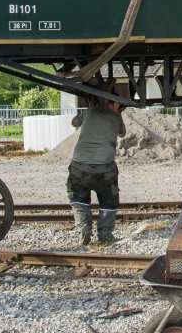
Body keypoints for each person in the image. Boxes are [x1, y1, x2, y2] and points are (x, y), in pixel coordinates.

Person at [66, 83, 127, 245]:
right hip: (105, 168)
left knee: (78, 197)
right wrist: (117, 113)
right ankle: (105, 235)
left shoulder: (90, 112)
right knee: (109, 201)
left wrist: (88, 109)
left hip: (79, 166)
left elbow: (73, 122)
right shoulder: (115, 117)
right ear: (114, 103)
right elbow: (122, 133)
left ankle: (84, 229)